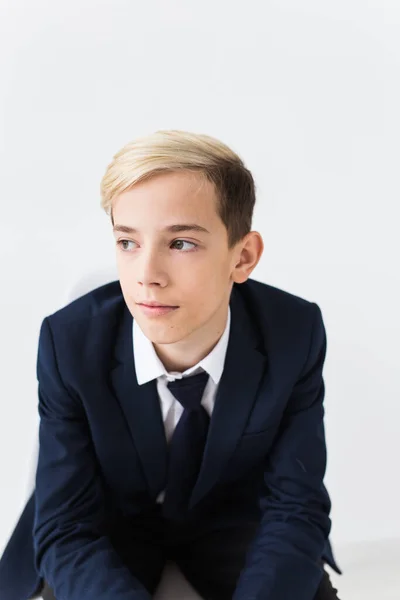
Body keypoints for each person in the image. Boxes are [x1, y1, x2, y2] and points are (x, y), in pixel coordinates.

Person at [0, 130, 342, 600]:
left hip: (230, 521)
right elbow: (68, 526)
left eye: (180, 243)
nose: (147, 276)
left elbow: (295, 506)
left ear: (242, 257)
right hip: (109, 524)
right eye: (127, 242)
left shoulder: (294, 333)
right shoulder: (69, 344)